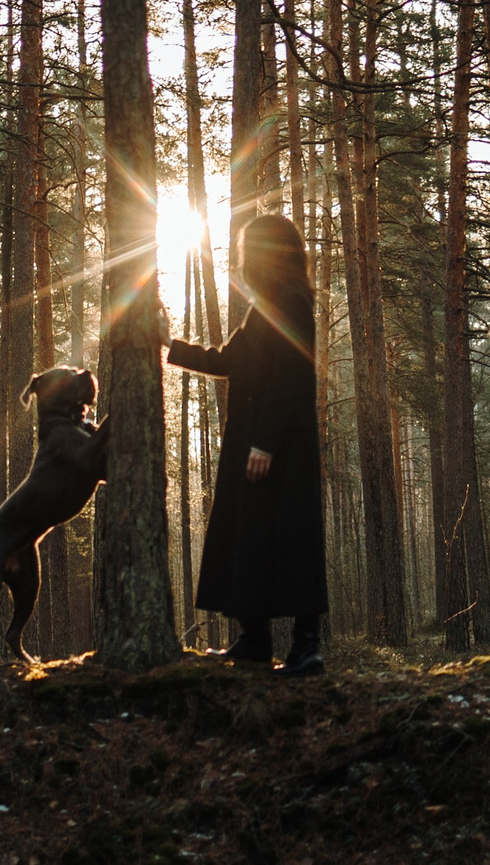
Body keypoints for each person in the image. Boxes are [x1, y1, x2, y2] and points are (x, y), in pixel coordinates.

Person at [166, 213, 330, 675]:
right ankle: (254, 641)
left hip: (282, 448)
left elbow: (292, 377)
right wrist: (170, 346)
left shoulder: (294, 301)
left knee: (293, 539)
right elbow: (229, 360)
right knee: (251, 537)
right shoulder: (266, 306)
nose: (242, 259)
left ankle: (306, 647)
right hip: (261, 446)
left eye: (247, 251)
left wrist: (265, 443)